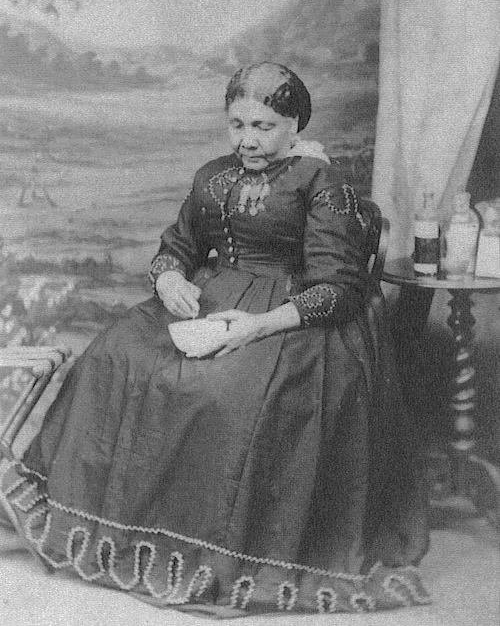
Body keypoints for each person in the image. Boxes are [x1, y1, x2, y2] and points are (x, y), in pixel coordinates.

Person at [0, 63, 429, 616]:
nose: (248, 139)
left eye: (265, 125)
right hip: (213, 296)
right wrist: (171, 277)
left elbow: (339, 288)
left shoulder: (322, 183)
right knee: (112, 356)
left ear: (295, 123)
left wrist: (257, 324)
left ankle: (209, 548)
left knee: (228, 392)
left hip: (295, 316)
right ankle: (113, 526)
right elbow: (177, 244)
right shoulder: (212, 174)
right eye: (237, 124)